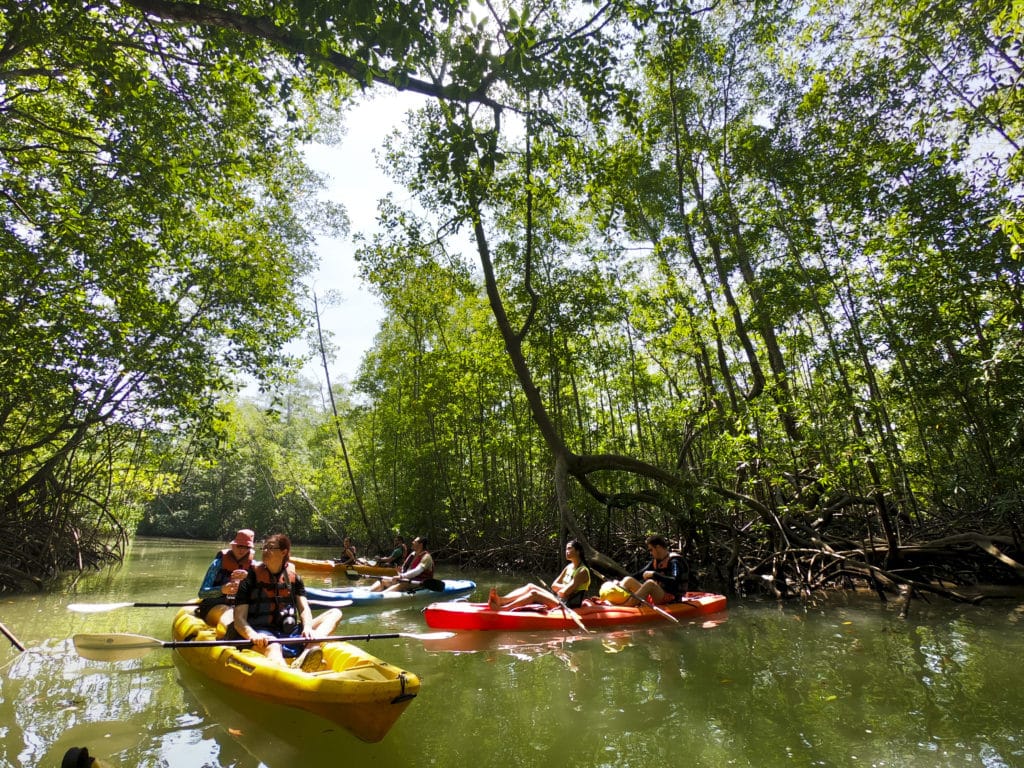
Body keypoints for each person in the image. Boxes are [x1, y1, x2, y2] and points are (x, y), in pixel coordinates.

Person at [231, 533, 343, 670]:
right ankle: (292, 674)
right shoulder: (249, 580)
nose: (265, 551)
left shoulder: (294, 579)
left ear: (284, 552)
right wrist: (253, 635)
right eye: (264, 548)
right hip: (263, 634)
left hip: (289, 631)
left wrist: (307, 627)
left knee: (335, 613)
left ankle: (310, 649)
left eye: (270, 548)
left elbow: (304, 609)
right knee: (274, 647)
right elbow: (239, 620)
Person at [488, 540, 592, 611]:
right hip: (560, 599)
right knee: (530, 586)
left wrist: (562, 590)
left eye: (569, 549)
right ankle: (502, 600)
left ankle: (504, 609)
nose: (566, 551)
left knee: (534, 593)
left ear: (578, 552)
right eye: (566, 549)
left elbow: (563, 593)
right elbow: (554, 586)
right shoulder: (568, 567)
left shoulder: (582, 571)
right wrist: (564, 589)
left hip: (568, 605)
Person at [196, 529, 254, 628]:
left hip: (240, 605)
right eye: (239, 546)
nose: (242, 550)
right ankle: (231, 628)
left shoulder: (254, 567)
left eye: (246, 547)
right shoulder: (217, 564)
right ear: (233, 545)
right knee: (228, 612)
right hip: (215, 604)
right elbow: (202, 593)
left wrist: (249, 578)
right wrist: (222, 589)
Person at [615, 534, 688, 605]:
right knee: (628, 579)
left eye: (651, 550)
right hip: (657, 595)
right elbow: (639, 574)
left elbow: (675, 580)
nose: (650, 553)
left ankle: (626, 605)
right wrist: (620, 581)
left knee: (650, 583)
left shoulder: (675, 561)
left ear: (658, 547)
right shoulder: (657, 561)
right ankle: (617, 597)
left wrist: (654, 574)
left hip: (671, 598)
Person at [369, 536, 433, 592]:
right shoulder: (412, 554)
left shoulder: (426, 557)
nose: (412, 542)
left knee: (401, 585)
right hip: (406, 580)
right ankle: (369, 593)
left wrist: (401, 576)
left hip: (418, 582)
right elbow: (404, 569)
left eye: (415, 541)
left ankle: (381, 596)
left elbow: (417, 571)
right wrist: (400, 572)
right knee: (382, 580)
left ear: (420, 544)